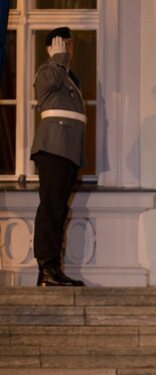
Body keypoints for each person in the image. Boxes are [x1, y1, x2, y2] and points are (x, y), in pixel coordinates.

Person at [31, 26, 85, 287]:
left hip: (66, 150)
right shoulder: (47, 71)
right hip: (53, 148)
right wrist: (56, 59)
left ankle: (53, 266)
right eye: (64, 44)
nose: (69, 50)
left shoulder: (67, 77)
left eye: (71, 45)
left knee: (59, 209)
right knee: (51, 208)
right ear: (53, 47)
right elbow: (48, 83)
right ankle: (46, 267)